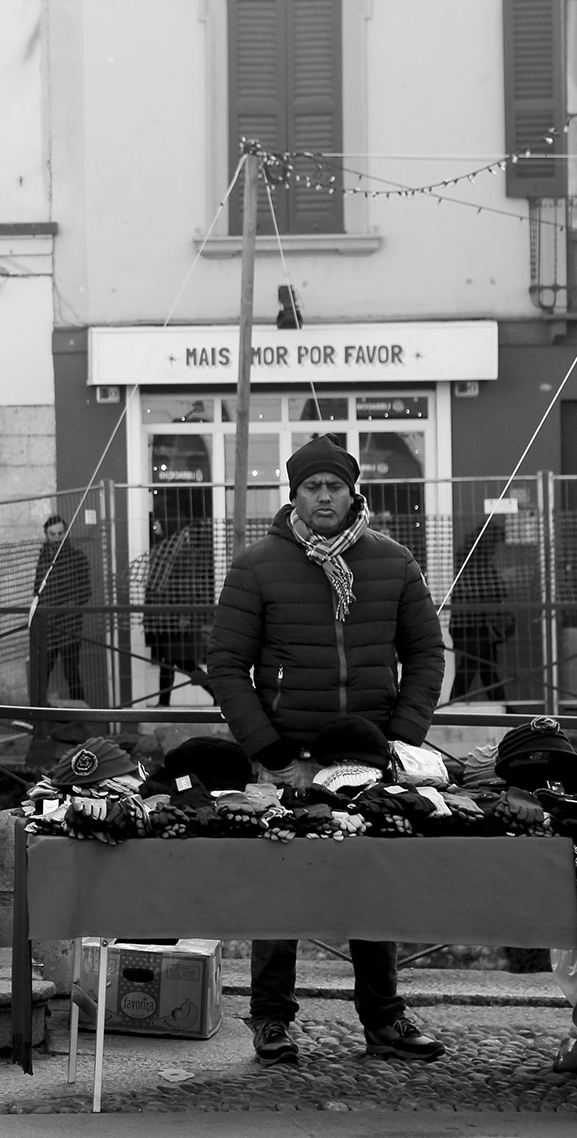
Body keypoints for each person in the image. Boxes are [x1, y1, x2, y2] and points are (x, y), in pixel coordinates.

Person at [204, 435, 449, 1066]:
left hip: (370, 757)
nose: (323, 497)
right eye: (311, 487)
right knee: (280, 885)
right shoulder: (257, 565)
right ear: (294, 495)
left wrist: (402, 738)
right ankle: (271, 1019)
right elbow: (227, 666)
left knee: (374, 882)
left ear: (352, 491)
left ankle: (384, 1020)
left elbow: (425, 654)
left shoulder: (393, 563)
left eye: (333, 486)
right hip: (291, 754)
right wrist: (270, 747)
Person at [145, 519, 212, 707]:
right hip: (170, 618)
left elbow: (189, 588)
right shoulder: (170, 553)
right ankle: (164, 702)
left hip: (179, 619)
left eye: (160, 525)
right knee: (171, 662)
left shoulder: (183, 555)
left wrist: (186, 616)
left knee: (182, 663)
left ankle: (216, 692)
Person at [448, 516, 513, 703]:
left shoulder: (469, 560)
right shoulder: (476, 564)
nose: (498, 550)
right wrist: (501, 586)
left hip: (471, 624)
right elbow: (486, 590)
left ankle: (501, 707)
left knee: (484, 667)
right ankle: (454, 705)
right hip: (472, 625)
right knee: (475, 666)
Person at [29, 515, 92, 706]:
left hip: (69, 627)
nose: (56, 537)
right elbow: (37, 590)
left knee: (71, 671)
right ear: (46, 535)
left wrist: (67, 607)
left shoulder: (78, 558)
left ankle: (80, 717)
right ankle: (38, 718)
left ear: (66, 533)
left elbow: (85, 592)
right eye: (52, 534)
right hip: (47, 627)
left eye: (60, 533)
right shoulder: (43, 559)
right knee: (43, 671)